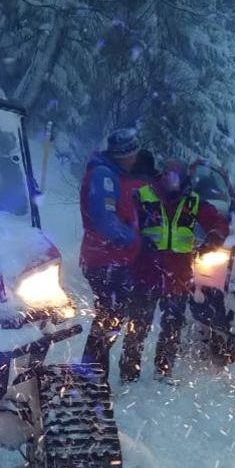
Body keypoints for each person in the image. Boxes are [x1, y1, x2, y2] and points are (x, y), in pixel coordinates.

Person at [124, 159, 228, 383]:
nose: (171, 180)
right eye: (168, 175)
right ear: (161, 175)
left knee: (172, 324)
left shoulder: (192, 202)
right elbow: (125, 220)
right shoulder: (143, 196)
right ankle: (129, 372)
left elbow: (217, 221)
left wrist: (215, 236)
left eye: (176, 176)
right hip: (147, 270)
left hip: (178, 273)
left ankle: (164, 371)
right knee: (138, 324)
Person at [79, 128, 146, 378]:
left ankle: (93, 376)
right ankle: (90, 377)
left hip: (110, 258)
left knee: (110, 319)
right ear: (124, 154)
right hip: (104, 259)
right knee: (109, 320)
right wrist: (134, 239)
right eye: (133, 154)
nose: (135, 159)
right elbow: (105, 221)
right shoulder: (103, 176)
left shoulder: (113, 174)